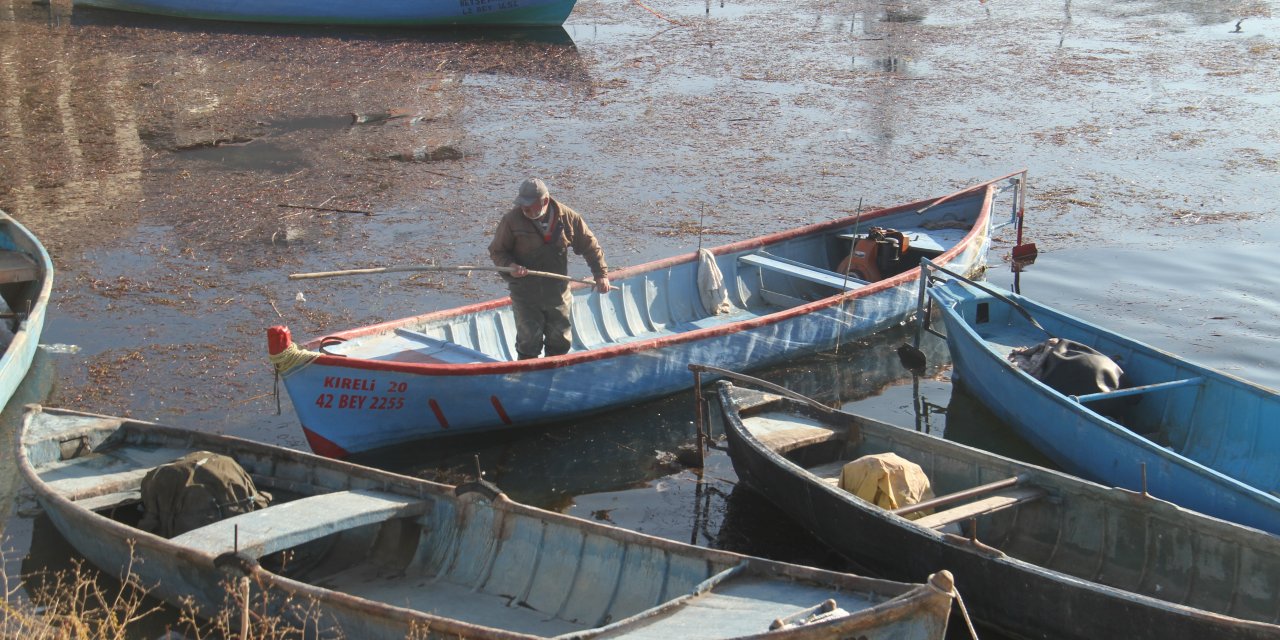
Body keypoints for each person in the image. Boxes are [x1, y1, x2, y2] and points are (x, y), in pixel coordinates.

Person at [489, 178, 610, 360]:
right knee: (529, 338)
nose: (524, 209)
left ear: (544, 201)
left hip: (557, 290)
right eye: (522, 205)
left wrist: (600, 274)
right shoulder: (511, 221)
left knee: (560, 338)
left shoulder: (567, 218)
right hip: (525, 291)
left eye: (529, 206)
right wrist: (510, 267)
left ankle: (553, 371)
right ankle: (527, 371)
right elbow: (497, 251)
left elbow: (590, 246)